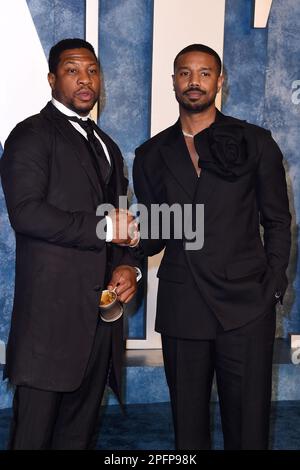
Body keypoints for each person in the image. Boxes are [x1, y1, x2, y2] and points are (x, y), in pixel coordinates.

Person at [133, 44, 291, 450]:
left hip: (246, 305)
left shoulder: (255, 142)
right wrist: (127, 233)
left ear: (220, 81)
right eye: (185, 73)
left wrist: (271, 287)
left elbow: (277, 221)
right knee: (188, 428)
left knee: (249, 426)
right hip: (184, 305)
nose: (194, 82)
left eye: (204, 73)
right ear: (173, 82)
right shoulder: (151, 154)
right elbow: (156, 232)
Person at [0, 38, 140, 450]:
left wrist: (127, 266)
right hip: (49, 325)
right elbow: (26, 214)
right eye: (72, 70)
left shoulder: (109, 145)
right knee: (33, 440)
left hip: (101, 324)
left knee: (77, 440)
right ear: (51, 79)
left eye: (92, 71)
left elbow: (122, 224)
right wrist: (101, 228)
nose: (85, 80)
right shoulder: (29, 136)